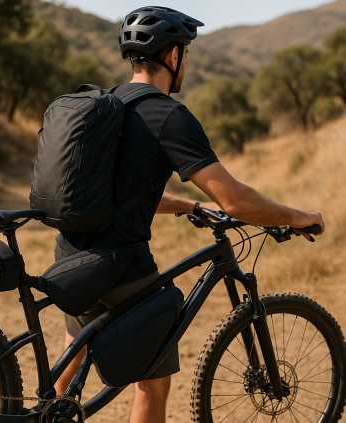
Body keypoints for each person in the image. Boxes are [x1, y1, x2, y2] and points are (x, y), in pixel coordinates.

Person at [53, 6, 325, 423]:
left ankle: (47, 412)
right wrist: (295, 216)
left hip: (72, 254)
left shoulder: (105, 104)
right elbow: (235, 200)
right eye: (185, 53)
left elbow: (114, 193)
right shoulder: (167, 115)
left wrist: (189, 205)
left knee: (72, 357)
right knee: (152, 382)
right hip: (120, 266)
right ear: (173, 56)